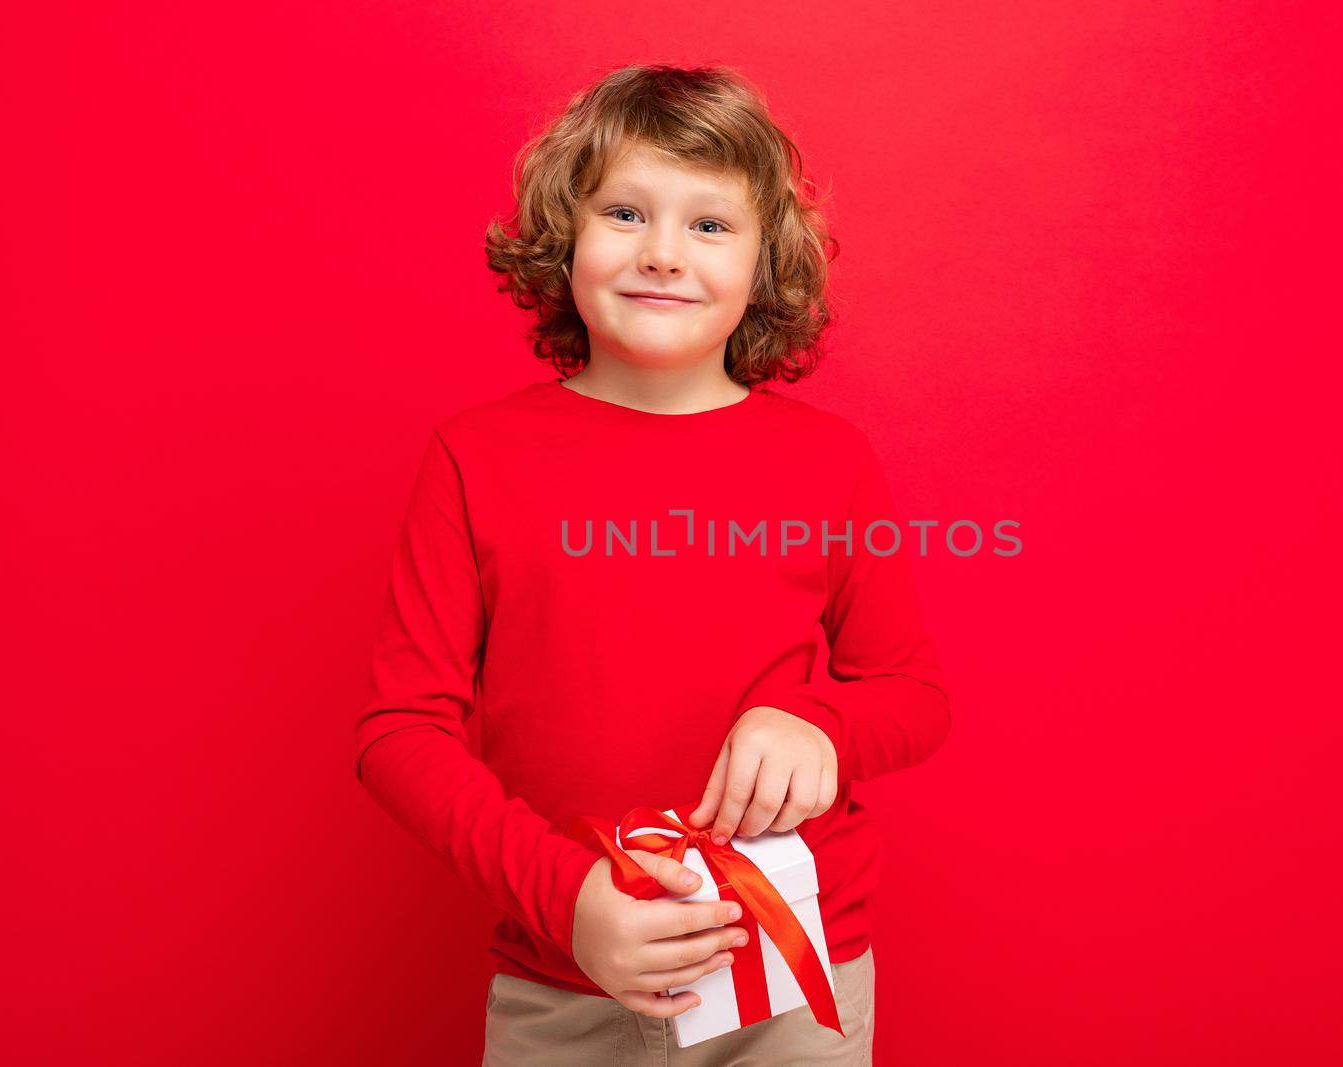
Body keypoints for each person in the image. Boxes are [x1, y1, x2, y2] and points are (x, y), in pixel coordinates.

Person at [354, 63, 951, 1066]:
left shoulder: (829, 461)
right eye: (626, 212)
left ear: (767, 264)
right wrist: (568, 897)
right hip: (566, 975)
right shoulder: (473, 456)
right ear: (564, 237)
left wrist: (820, 722)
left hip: (791, 981)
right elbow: (398, 730)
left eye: (710, 226)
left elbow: (915, 694)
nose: (664, 253)